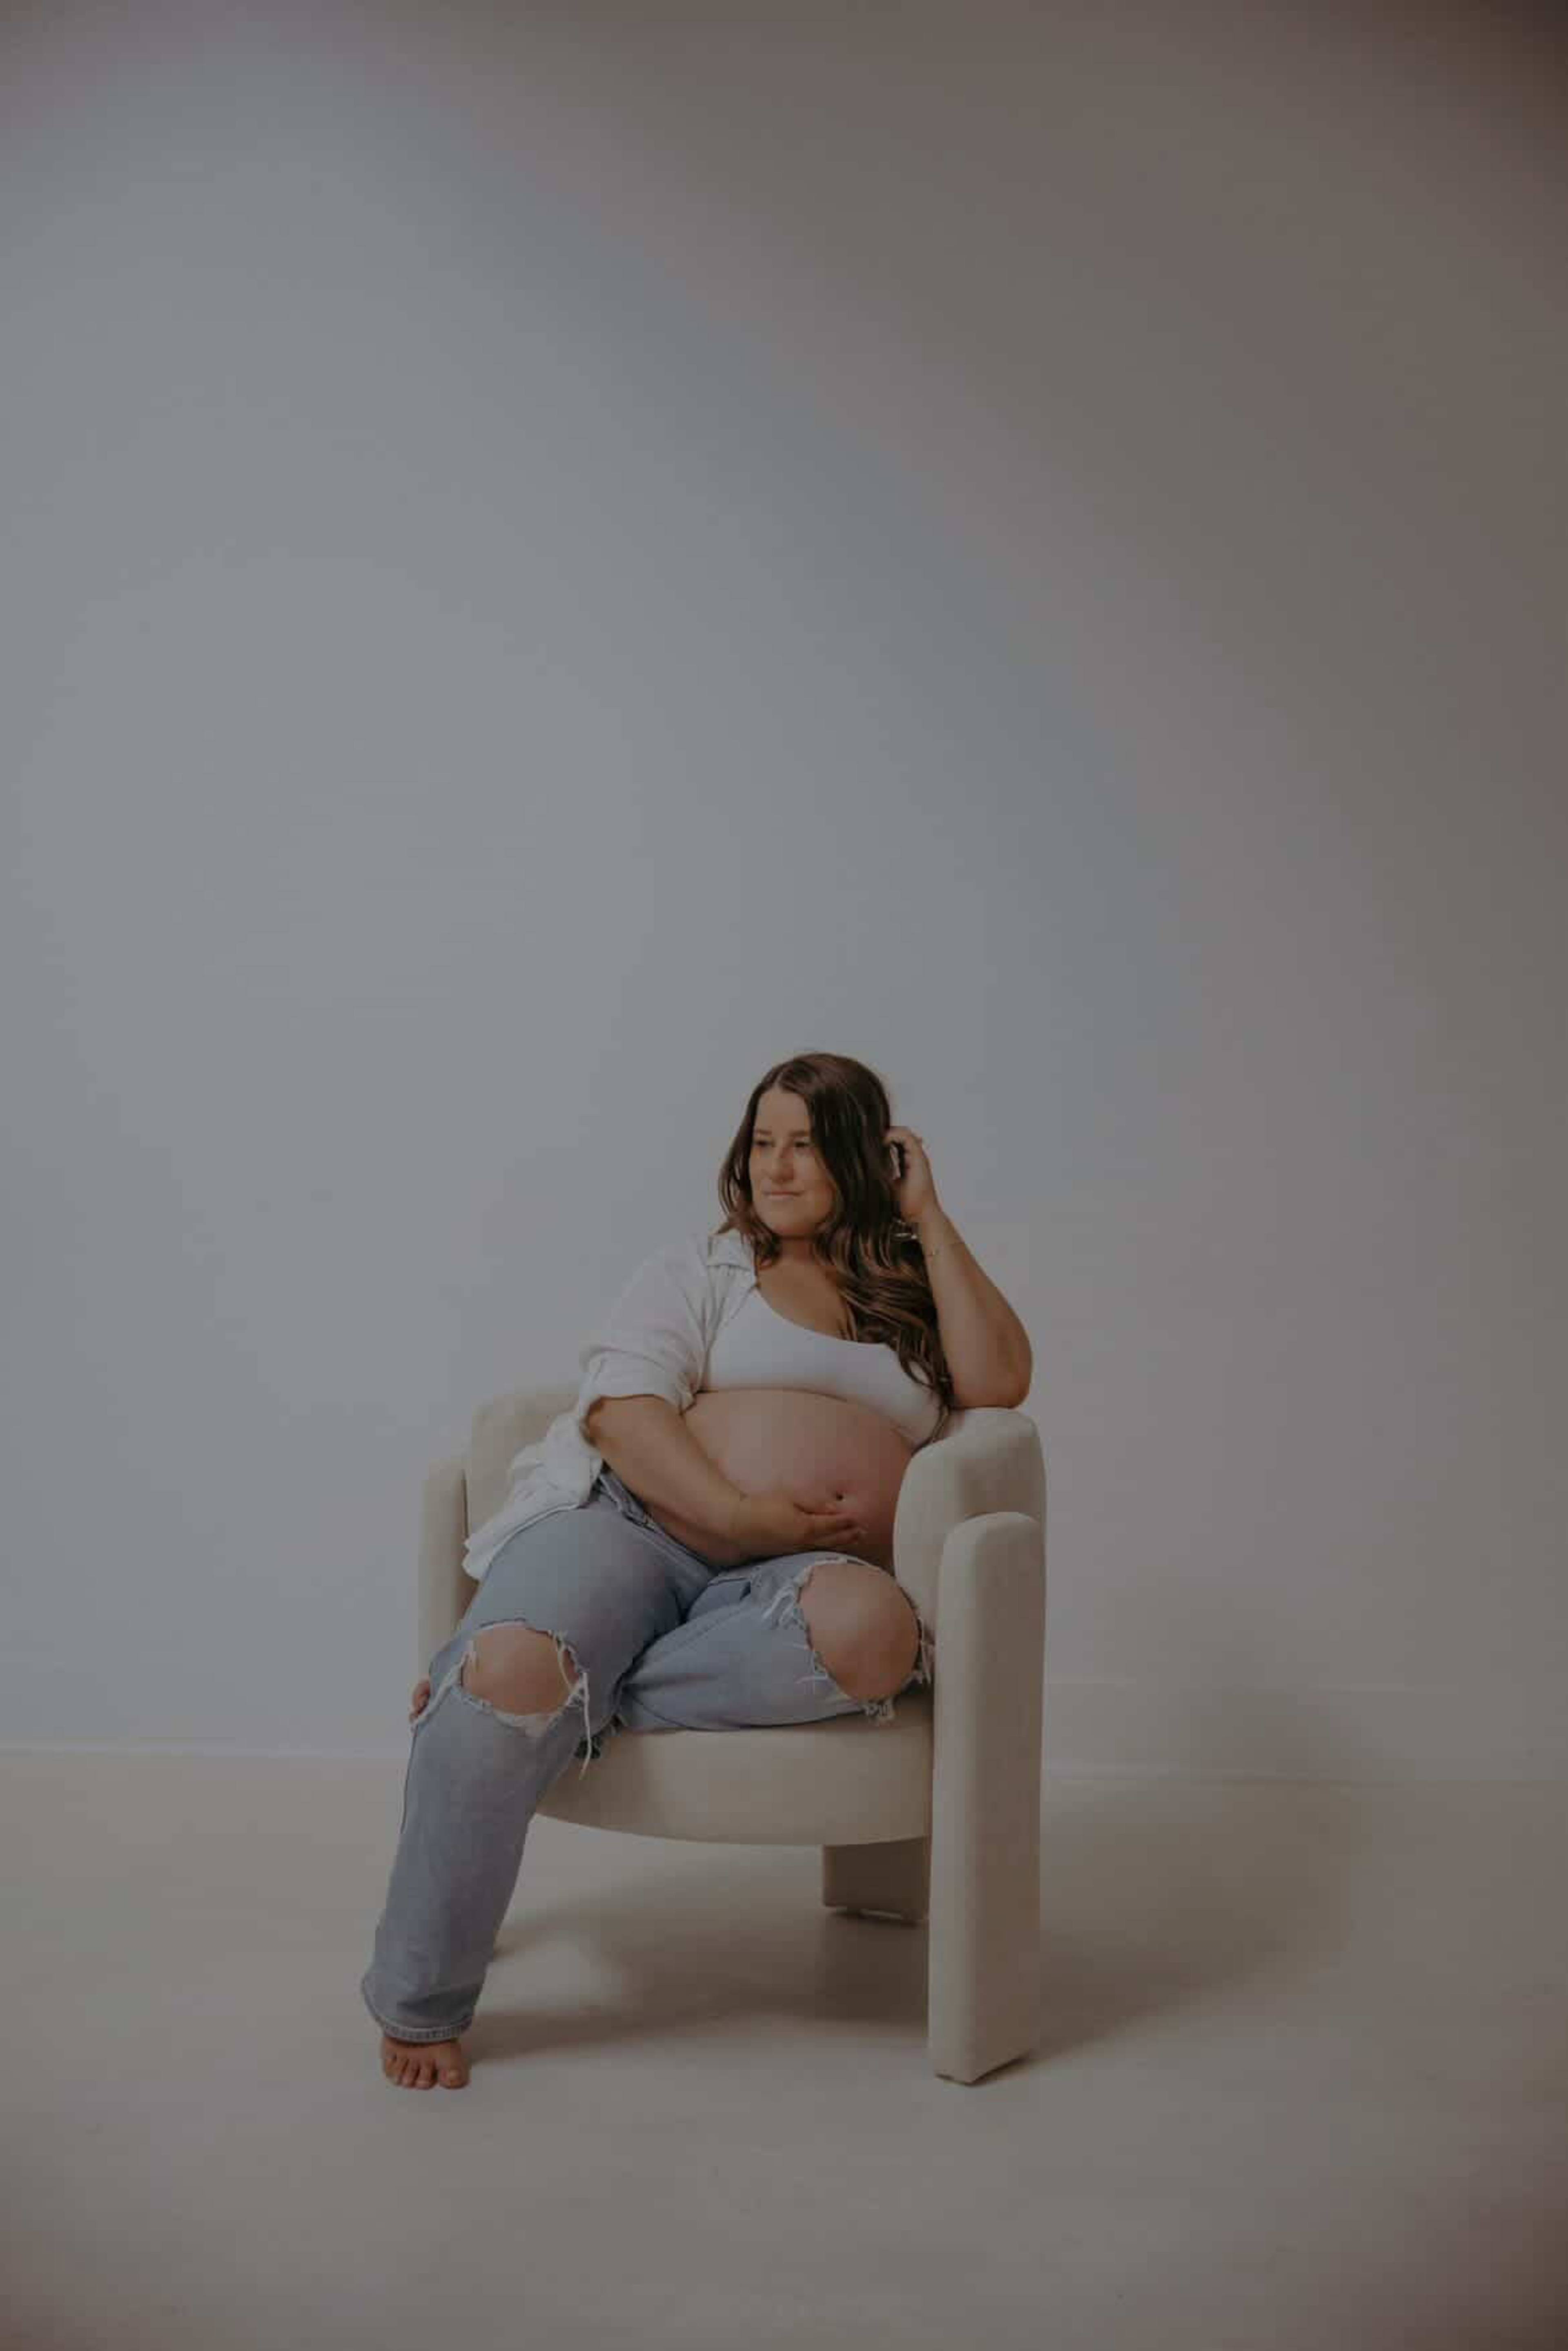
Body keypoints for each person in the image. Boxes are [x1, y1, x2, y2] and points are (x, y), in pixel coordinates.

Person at [362, 1050, 1033, 2088]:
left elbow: (1000, 1377)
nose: (778, 1166)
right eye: (763, 1142)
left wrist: (931, 1218)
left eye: (808, 1144)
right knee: (510, 1680)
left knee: (877, 1637)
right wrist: (738, 1511)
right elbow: (624, 1409)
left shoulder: (908, 1293)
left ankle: (564, 1680)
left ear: (866, 1155)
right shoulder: (707, 1267)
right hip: (635, 1528)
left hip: (787, 1584)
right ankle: (420, 1998)